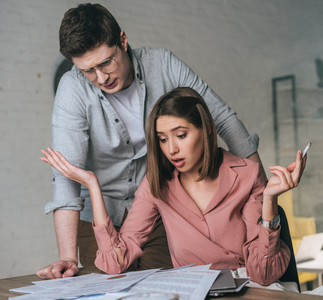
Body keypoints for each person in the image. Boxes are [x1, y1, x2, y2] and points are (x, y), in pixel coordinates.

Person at [37, 3, 262, 280]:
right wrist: (68, 256)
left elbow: (223, 119)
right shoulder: (72, 90)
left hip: (156, 207)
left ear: (122, 39)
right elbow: (67, 175)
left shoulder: (163, 65)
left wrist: (260, 189)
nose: (101, 77)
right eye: (88, 71)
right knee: (107, 290)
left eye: (106, 62)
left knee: (164, 288)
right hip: (99, 213)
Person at [40, 87, 306, 286]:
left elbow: (264, 272)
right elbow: (114, 262)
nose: (171, 149)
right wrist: (92, 184)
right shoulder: (157, 184)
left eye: (181, 135)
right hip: (191, 291)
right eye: (162, 139)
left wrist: (270, 202)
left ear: (207, 130)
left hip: (245, 289)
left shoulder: (247, 174)